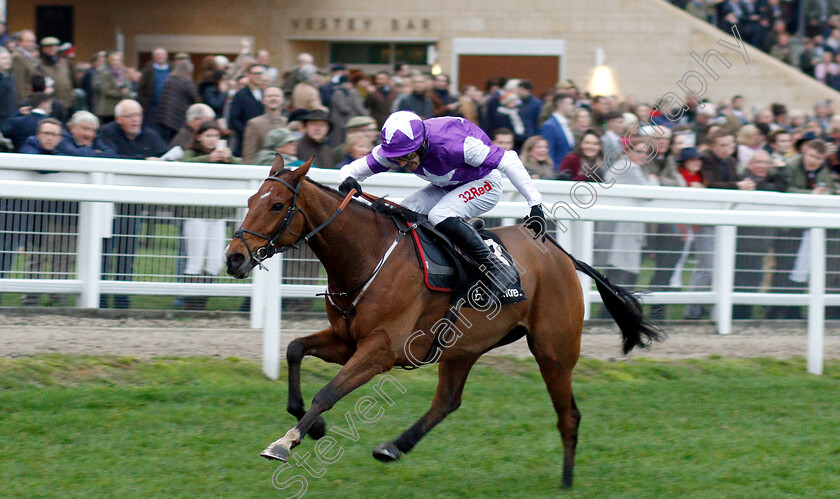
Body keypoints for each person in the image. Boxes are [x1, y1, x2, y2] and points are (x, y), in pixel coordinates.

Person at [338, 111, 546, 296]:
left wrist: (535, 204)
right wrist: (346, 180)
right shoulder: (398, 149)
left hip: (485, 183)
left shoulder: (456, 145)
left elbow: (508, 159)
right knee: (402, 211)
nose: (401, 163)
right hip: (449, 185)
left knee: (440, 214)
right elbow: (351, 170)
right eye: (397, 158)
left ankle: (497, 268)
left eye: (406, 157)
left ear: (422, 145)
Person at [18, 118, 77, 306]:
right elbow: (38, 165)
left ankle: (59, 299)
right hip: (38, 214)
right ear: (38, 135)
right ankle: (30, 299)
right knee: (37, 257)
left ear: (61, 137)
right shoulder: (30, 145)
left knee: (64, 258)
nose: (50, 138)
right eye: (46, 134)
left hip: (65, 213)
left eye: (54, 135)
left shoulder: (66, 147)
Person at [733, 149, 788, 319]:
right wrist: (780, 173)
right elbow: (770, 188)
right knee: (742, 275)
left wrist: (779, 172)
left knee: (755, 275)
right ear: (750, 164)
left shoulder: (770, 178)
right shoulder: (744, 177)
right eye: (757, 162)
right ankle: (738, 312)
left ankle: (745, 311)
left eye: (765, 163)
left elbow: (781, 188)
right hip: (744, 238)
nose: (761, 166)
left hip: (762, 238)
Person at [155, 58, 200, 143]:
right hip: (177, 116)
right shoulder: (186, 81)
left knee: (165, 140)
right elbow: (195, 97)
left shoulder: (170, 79)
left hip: (164, 116)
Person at [241, 85, 286, 164]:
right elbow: (249, 154)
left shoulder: (286, 122)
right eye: (269, 96)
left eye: (276, 96)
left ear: (282, 100)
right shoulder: (254, 123)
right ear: (263, 100)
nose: (273, 98)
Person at [229, 63, 267, 155]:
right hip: (245, 142)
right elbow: (233, 120)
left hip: (264, 141)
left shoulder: (265, 93)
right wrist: (247, 134)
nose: (258, 76)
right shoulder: (240, 95)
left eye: (260, 74)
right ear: (248, 75)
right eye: (255, 74)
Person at [38, 37, 74, 116]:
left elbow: (72, 78)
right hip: (51, 102)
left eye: (55, 46)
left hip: (67, 100)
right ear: (43, 49)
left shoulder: (65, 61)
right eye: (49, 47)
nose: (53, 49)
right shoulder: (39, 64)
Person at [540, 92, 576, 171]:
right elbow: (549, 152)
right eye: (570, 104)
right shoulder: (549, 126)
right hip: (557, 170)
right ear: (560, 105)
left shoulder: (566, 124)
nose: (573, 107)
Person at [95, 51, 132, 123]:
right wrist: (121, 93)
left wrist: (126, 92)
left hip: (123, 108)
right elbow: (106, 90)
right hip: (109, 109)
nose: (116, 62)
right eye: (114, 60)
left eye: (118, 60)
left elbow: (128, 88)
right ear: (110, 62)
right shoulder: (106, 74)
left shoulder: (124, 73)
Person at [137, 47, 170, 127]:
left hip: (168, 106)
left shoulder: (172, 69)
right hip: (152, 106)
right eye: (157, 55)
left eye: (162, 55)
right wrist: (143, 103)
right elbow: (141, 88)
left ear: (166, 56)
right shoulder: (148, 70)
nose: (160, 57)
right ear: (153, 57)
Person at [10, 30, 38, 105]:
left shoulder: (28, 55)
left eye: (33, 41)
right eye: (29, 41)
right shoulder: (17, 57)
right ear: (19, 42)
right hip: (24, 98)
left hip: (31, 96)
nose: (32, 44)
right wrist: (23, 101)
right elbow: (19, 82)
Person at [0, 47, 15, 128]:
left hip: (10, 118)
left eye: (9, 58)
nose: (8, 61)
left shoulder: (10, 77)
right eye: (4, 58)